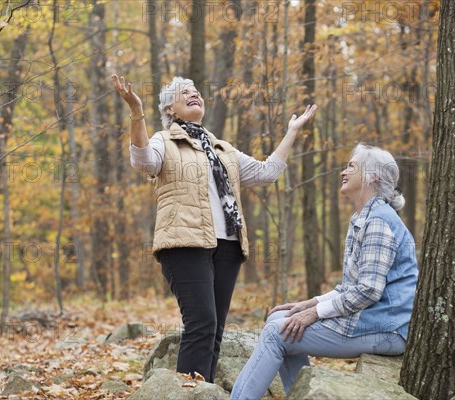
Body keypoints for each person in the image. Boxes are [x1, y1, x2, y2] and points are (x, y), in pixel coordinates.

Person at [111, 74, 317, 383]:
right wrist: (136, 112)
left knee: (216, 329)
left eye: (196, 91)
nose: (194, 94)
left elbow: (267, 172)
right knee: (201, 323)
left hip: (229, 247)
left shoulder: (223, 150)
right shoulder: (164, 140)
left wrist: (291, 132)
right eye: (184, 93)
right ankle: (188, 392)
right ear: (170, 109)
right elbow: (143, 163)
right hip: (185, 242)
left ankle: (203, 390)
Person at [231, 143, 419, 399]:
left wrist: (314, 314)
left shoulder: (379, 221)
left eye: (351, 166)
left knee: (278, 332)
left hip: (387, 328)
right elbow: (351, 287)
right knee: (278, 320)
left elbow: (368, 291)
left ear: (373, 176)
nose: (344, 172)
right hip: (370, 319)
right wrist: (306, 304)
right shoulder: (363, 218)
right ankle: (304, 394)